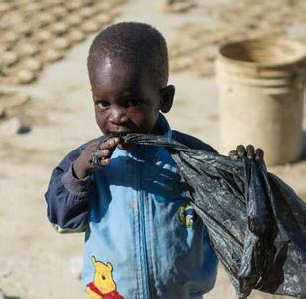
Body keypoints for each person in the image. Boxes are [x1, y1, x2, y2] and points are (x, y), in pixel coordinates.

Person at [44, 22, 262, 298]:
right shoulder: (87, 162)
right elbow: (63, 222)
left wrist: (247, 176)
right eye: (103, 104)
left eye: (132, 102)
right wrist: (78, 174)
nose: (116, 116)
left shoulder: (194, 158)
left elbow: (237, 224)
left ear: (165, 99)